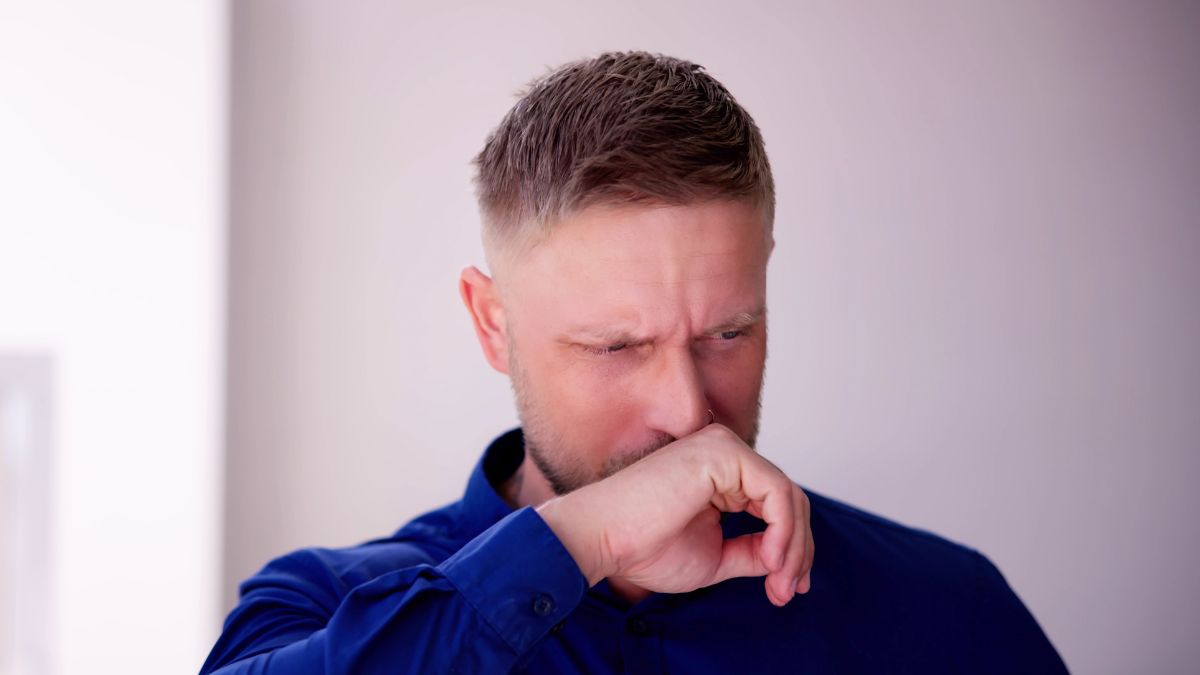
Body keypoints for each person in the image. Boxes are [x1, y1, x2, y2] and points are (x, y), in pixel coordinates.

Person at [201, 51, 1067, 674]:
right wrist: (594, 536)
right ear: (492, 323)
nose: (689, 414)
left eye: (728, 332)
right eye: (617, 346)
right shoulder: (318, 610)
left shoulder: (944, 609)